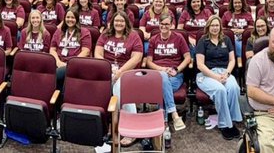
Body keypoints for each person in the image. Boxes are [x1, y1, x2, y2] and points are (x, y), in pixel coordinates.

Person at [96, 10, 145, 144]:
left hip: (129, 72)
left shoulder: (133, 36)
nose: (118, 23)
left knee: (120, 87)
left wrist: (120, 71)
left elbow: (137, 58)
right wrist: (108, 67)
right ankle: (111, 125)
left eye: (121, 21)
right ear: (112, 22)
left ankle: (131, 128)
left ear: (126, 23)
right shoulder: (106, 34)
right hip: (108, 70)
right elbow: (98, 54)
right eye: (116, 21)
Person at [196, 15, 243, 140]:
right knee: (220, 90)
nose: (215, 28)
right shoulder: (203, 41)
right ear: (208, 27)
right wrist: (216, 77)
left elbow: (232, 60)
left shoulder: (226, 39)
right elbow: (200, 65)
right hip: (206, 74)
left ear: (220, 27)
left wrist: (227, 73)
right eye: (212, 25)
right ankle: (224, 125)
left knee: (234, 88)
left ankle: (232, 120)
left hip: (224, 71)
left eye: (217, 25)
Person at [145, 13, 191, 132]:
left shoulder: (179, 37)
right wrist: (162, 69)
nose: (164, 26)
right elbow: (149, 62)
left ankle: (164, 121)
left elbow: (187, 58)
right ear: (159, 24)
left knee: (163, 86)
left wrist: (177, 69)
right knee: (163, 77)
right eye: (162, 24)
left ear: (171, 25)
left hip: (176, 76)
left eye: (166, 24)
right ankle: (174, 114)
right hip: (158, 73)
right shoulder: (153, 39)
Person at [49, 9, 88, 86]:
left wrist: (71, 63)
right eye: (68, 17)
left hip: (76, 64)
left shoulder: (84, 32)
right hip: (59, 63)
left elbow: (86, 51)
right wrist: (58, 62)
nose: (70, 19)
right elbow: (52, 49)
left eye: (72, 17)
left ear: (77, 19)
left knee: (53, 77)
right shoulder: (59, 31)